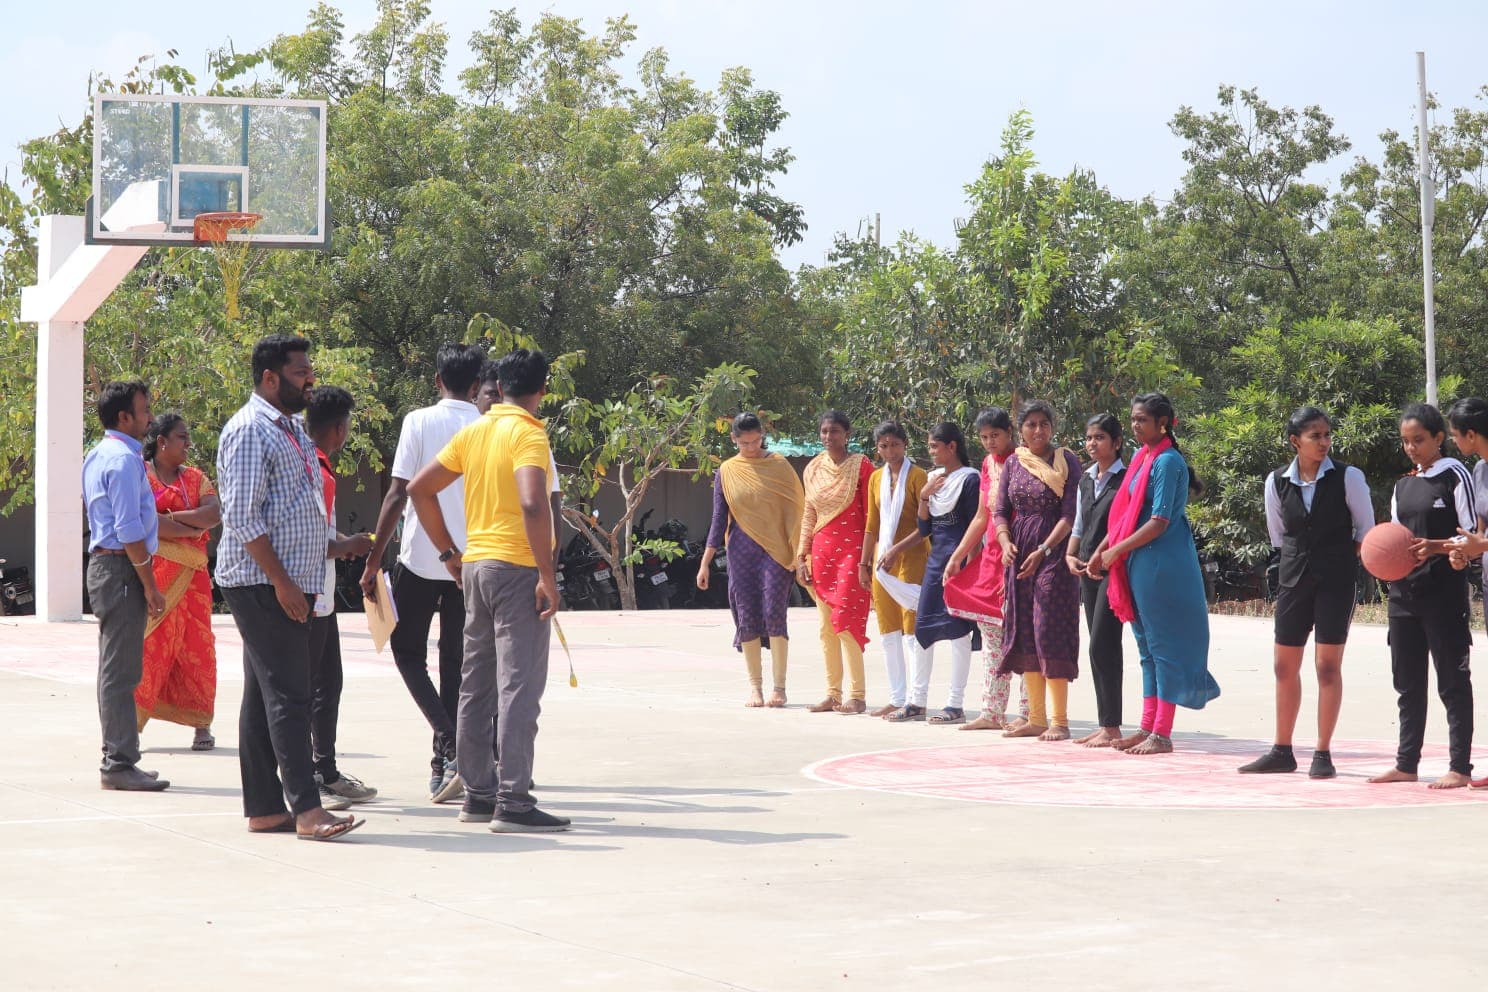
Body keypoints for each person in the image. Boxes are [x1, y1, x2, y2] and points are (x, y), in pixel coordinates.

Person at [407, 348, 568, 832]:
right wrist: (546, 574)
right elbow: (533, 504)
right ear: (541, 390)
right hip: (517, 568)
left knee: (475, 684)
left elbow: (418, 488)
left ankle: (477, 794)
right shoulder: (529, 432)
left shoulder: (475, 430)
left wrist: (448, 554)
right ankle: (514, 802)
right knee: (518, 687)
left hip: (474, 567)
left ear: (498, 386)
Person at [216, 335, 360, 840]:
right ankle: (307, 809)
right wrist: (282, 582)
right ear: (270, 378)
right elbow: (240, 515)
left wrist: (336, 547)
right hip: (261, 583)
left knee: (263, 697)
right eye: (301, 372)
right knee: (291, 695)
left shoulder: (292, 429)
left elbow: (297, 510)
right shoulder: (251, 430)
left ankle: (265, 809)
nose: (310, 379)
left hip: (290, 581)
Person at [359, 343, 484, 801]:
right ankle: (449, 754)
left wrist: (373, 560)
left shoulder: (418, 421)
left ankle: (447, 749)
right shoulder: (486, 427)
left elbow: (397, 495)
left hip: (419, 557)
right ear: (476, 386)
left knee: (408, 653)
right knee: (456, 662)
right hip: (470, 563)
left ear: (437, 381)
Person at [1239, 407, 1373, 779]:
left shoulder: (1349, 477)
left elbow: (1365, 533)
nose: (1325, 442)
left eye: (1327, 435)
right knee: (1284, 666)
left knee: (1326, 667)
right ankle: (1282, 750)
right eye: (1316, 436)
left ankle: (1323, 752)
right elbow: (1279, 536)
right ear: (1295, 441)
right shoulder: (1276, 481)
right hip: (1293, 579)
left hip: (1336, 581)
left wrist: (1341, 566)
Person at [1088, 393, 1220, 756]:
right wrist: (1103, 549)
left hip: (1162, 563)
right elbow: (1125, 512)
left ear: (1163, 423)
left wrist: (1116, 550)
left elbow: (1160, 520)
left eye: (1142, 420)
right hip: (1138, 561)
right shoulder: (1143, 459)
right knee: (1146, 647)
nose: (1135, 425)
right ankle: (1146, 726)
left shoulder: (1167, 461)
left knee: (1163, 648)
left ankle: (1162, 732)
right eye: (1133, 419)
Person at [1366, 403, 1475, 790]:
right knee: (1407, 683)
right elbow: (1394, 540)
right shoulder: (1403, 485)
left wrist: (1439, 546)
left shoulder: (1456, 476)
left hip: (1443, 595)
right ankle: (1406, 763)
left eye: (1419, 440)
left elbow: (1472, 537)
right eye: (1405, 441)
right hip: (1403, 596)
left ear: (1439, 439)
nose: (1411, 448)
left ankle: (1460, 766)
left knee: (1452, 682)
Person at [83, 381, 170, 792]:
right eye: (144, 409)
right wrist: (150, 585)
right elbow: (128, 529)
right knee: (121, 671)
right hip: (120, 570)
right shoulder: (121, 460)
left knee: (116, 669)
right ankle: (117, 763)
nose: (149, 416)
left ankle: (119, 758)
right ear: (124, 417)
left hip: (111, 568)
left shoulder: (102, 454)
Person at [697, 413, 805, 708]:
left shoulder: (779, 465)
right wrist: (705, 562)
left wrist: (800, 552)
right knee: (746, 615)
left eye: (756, 441)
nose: (751, 447)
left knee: (774, 611)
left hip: (778, 551)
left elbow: (797, 509)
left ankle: (779, 688)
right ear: (733, 439)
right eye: (744, 443)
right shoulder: (727, 471)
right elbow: (719, 519)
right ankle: (755, 688)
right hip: (742, 549)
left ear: (762, 436)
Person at [303, 386, 378, 808]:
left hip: (321, 591)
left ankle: (324, 769)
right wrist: (349, 544)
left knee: (327, 684)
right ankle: (313, 775)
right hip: (310, 590)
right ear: (338, 428)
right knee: (314, 687)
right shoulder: (314, 467)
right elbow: (315, 537)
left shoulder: (318, 464)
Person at [993, 401, 1082, 741]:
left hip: (1055, 556)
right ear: (1021, 430)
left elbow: (1070, 514)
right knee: (1027, 631)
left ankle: (1060, 720)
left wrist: (1044, 549)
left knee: (1049, 630)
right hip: (1018, 556)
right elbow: (1001, 510)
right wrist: (1004, 542)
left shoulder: (1066, 461)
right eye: (1031, 424)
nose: (1038, 430)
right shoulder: (1014, 462)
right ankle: (1037, 718)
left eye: (1044, 423)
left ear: (1052, 427)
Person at [883, 422, 981, 724]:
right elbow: (925, 528)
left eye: (935, 446)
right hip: (936, 561)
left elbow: (975, 527)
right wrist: (924, 497)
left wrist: (966, 565)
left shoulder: (971, 480)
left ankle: (955, 704)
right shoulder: (934, 480)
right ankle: (917, 701)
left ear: (952, 447)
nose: (931, 452)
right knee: (922, 629)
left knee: (959, 633)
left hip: (959, 561)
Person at [135, 413, 221, 751]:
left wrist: (169, 520)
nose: (188, 444)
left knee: (198, 649)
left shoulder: (196, 478)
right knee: (148, 648)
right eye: (182, 437)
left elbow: (213, 515)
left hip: (195, 581)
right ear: (162, 442)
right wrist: (191, 527)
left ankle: (201, 724)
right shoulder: (140, 475)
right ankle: (132, 725)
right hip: (152, 576)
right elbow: (145, 523)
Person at [946, 408, 1029, 732]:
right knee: (991, 638)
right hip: (991, 560)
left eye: (995, 435)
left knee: (1022, 636)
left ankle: (1028, 711)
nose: (990, 442)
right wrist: (959, 555)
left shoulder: (1023, 461)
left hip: (1018, 556)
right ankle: (992, 711)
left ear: (1009, 432)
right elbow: (982, 517)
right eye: (984, 437)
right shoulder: (987, 465)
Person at [797, 410, 874, 714]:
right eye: (825, 431)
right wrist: (802, 555)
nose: (829, 437)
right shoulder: (814, 468)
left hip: (853, 554)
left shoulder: (862, 466)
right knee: (825, 627)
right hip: (821, 553)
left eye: (835, 431)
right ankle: (832, 693)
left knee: (846, 621)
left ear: (847, 434)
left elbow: (871, 515)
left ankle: (857, 694)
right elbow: (808, 514)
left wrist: (867, 559)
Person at [1063, 414, 1128, 747]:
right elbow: (1078, 525)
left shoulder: (1126, 480)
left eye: (1100, 437)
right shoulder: (1086, 479)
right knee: (1097, 646)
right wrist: (1069, 554)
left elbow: (1123, 528)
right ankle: (1107, 723)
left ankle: (1112, 726)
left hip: (1113, 570)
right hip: (1086, 568)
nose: (1092, 444)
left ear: (1116, 442)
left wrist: (1104, 556)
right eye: (1089, 438)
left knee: (1103, 643)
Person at [858, 422, 928, 718]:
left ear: (905, 444)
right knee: (888, 632)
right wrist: (864, 564)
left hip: (911, 560)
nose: (890, 451)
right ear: (877, 448)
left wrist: (896, 550)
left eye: (895, 445)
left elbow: (926, 527)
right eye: (884, 446)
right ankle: (897, 696)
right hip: (881, 565)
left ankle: (915, 698)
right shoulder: (875, 478)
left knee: (912, 633)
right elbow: (871, 525)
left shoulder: (918, 476)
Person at [1441, 397, 1488, 789]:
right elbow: (1480, 530)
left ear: (1471, 434)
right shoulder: (1480, 469)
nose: (1456, 442)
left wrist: (1481, 546)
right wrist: (1464, 552)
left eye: (1456, 435)